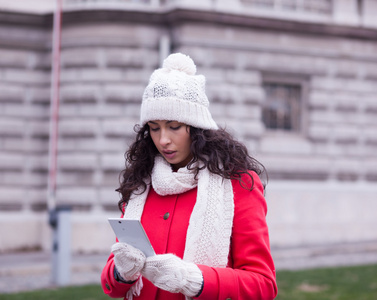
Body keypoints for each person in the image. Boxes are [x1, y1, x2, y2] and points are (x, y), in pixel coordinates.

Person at [101, 53, 277, 300]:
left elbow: (263, 285)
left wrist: (195, 279)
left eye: (174, 127)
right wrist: (122, 272)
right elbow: (110, 285)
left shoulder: (237, 183)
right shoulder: (142, 184)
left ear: (195, 127)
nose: (163, 139)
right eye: (154, 128)